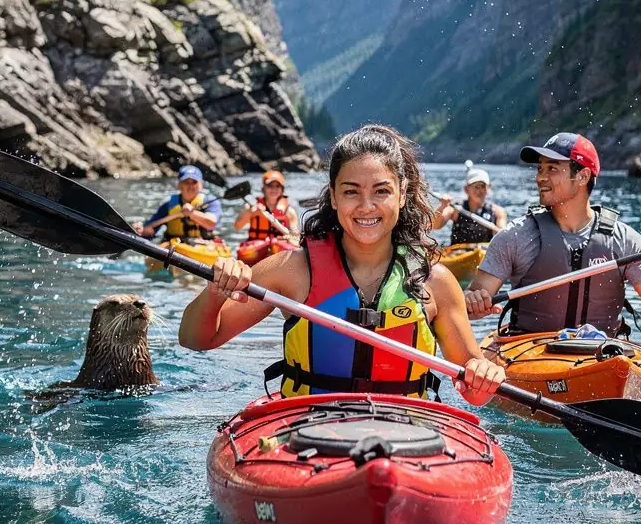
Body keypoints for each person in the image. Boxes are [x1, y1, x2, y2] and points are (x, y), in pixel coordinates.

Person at [179, 124, 506, 406]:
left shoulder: (435, 281)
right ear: (334, 197)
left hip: (407, 435)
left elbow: (474, 393)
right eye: (351, 192)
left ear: (402, 194)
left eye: (381, 191)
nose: (366, 207)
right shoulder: (293, 270)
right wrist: (215, 290)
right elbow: (196, 339)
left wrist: (485, 372)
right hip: (307, 432)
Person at [464, 132, 641, 334]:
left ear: (583, 176)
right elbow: (469, 305)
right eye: (540, 169)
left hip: (601, 358)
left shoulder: (624, 240)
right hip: (531, 358)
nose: (540, 177)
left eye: (552, 168)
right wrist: (473, 303)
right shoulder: (515, 237)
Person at [134, 165, 222, 244]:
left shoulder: (211, 202)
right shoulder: (168, 206)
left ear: (201, 185)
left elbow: (211, 223)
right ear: (179, 185)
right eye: (186, 182)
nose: (190, 186)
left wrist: (192, 213)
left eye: (194, 182)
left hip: (202, 244)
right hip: (174, 245)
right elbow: (151, 229)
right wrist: (143, 231)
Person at [432, 165, 507, 243]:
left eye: (482, 186)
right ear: (466, 189)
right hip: (458, 253)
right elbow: (435, 226)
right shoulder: (455, 209)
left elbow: (502, 240)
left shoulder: (498, 212)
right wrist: (442, 207)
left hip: (484, 253)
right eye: (476, 186)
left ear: (488, 188)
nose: (479, 190)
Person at [234, 169, 299, 242]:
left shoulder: (289, 211)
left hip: (279, 246)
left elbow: (295, 238)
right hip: (256, 246)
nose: (274, 189)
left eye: (277, 186)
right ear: (263, 188)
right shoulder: (250, 207)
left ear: (282, 189)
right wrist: (250, 213)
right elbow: (237, 227)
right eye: (270, 186)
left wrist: (266, 215)